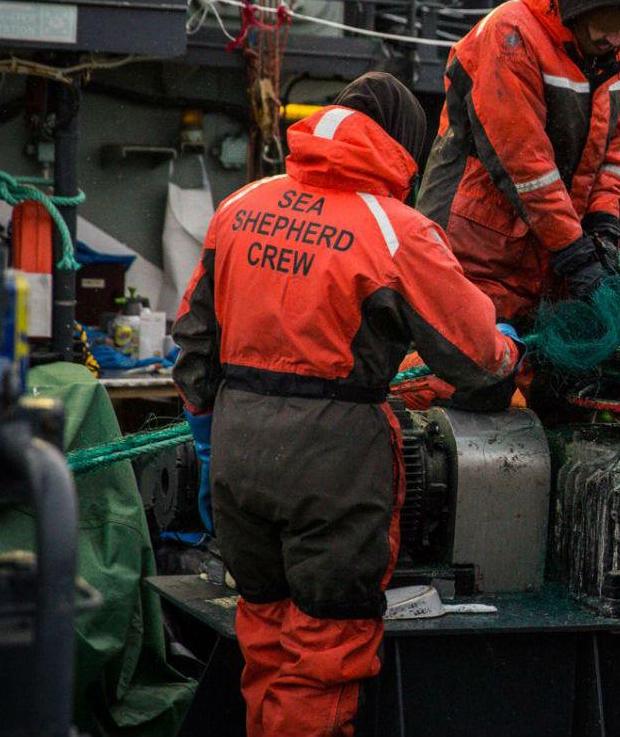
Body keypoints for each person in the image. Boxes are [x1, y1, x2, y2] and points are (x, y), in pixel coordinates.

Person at [172, 73, 523, 737]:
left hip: (238, 450)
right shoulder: (395, 230)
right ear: (401, 150)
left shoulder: (241, 206)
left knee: (266, 634)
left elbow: (192, 344)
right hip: (332, 462)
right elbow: (474, 358)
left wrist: (209, 441)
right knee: (324, 654)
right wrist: (507, 352)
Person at [415, 0, 620, 322]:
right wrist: (575, 252)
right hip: (475, 248)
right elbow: (524, 163)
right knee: (460, 362)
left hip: (547, 250)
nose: (615, 38)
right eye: (608, 23)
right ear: (578, 7)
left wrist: (604, 225)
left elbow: (610, 158)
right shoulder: (510, 35)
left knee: (528, 371)